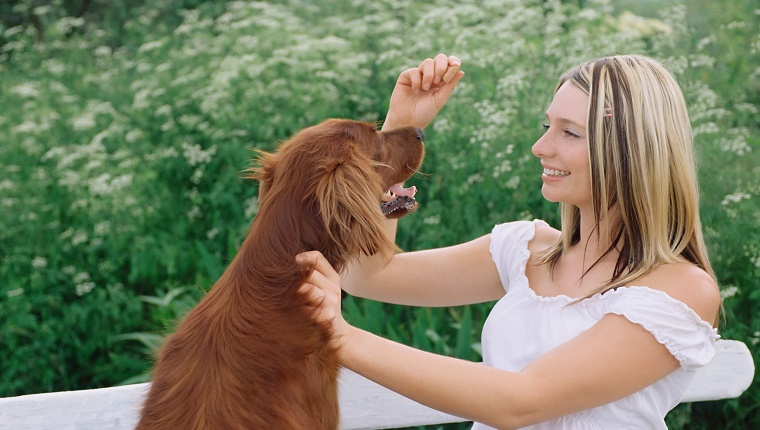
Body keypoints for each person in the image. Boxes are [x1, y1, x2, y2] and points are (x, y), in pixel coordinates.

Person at [296, 53, 721, 429]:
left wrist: (340, 336)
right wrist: (400, 133)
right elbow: (370, 275)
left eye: (569, 133)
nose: (540, 146)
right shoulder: (525, 249)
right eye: (546, 126)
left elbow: (518, 402)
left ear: (631, 150)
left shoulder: (681, 289)